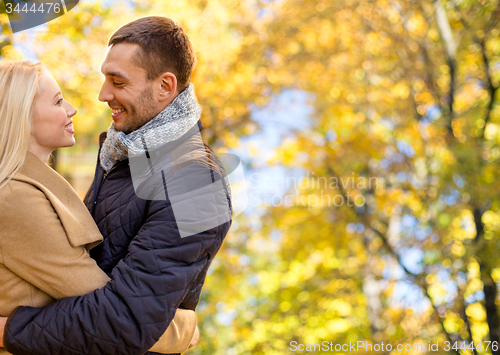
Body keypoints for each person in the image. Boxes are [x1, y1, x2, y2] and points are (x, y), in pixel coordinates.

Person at [1, 16, 232, 355]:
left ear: (165, 87)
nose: (101, 94)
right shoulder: (120, 156)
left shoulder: (195, 182)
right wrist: (182, 331)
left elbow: (125, 321)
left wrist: (8, 330)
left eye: (117, 82)